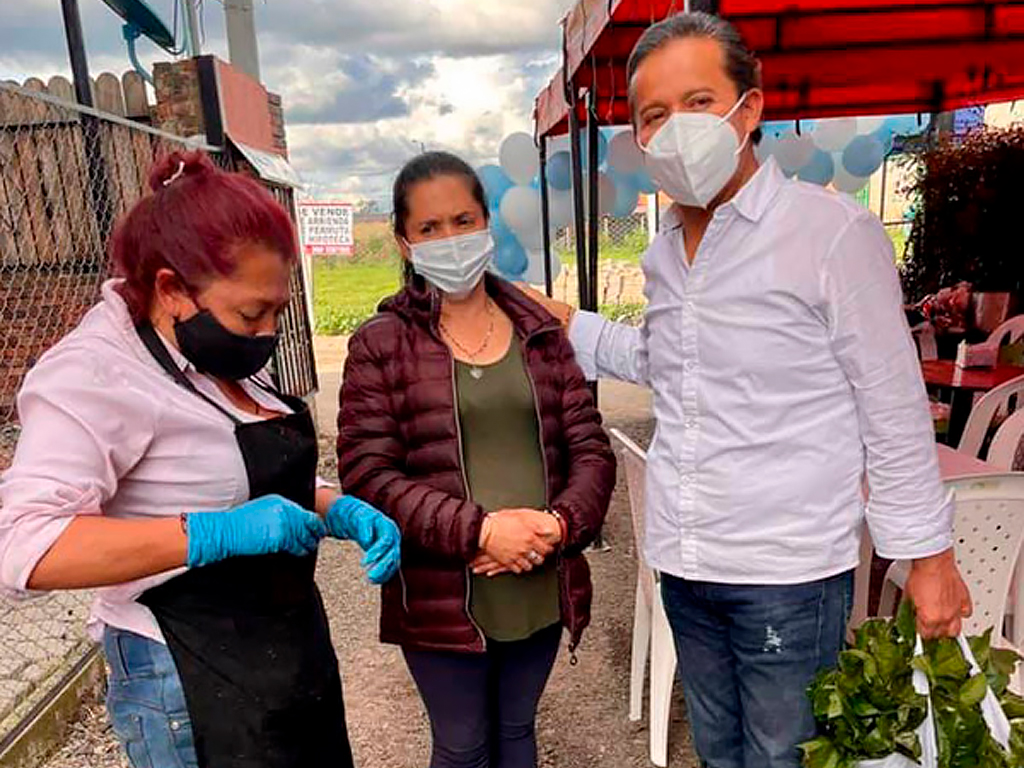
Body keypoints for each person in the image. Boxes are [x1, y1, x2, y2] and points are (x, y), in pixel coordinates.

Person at [524, 13, 971, 768]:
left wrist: (925, 557)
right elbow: (667, 358)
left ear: (750, 108)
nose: (675, 129)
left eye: (696, 103)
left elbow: (891, 405)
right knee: (721, 754)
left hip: (787, 572)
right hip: (689, 563)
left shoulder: (828, 234)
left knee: (785, 757)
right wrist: (572, 324)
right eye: (653, 116)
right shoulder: (666, 252)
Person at [0, 151, 402, 768]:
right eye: (251, 314)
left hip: (285, 644)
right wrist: (209, 534)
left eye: (277, 311)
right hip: (185, 674)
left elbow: (230, 467)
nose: (266, 333)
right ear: (170, 289)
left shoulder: (214, 354)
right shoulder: (93, 376)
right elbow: (24, 546)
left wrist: (336, 506)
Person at [336, 151, 616, 768]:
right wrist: (482, 531)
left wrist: (559, 526)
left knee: (517, 733)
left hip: (539, 574)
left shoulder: (539, 331)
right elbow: (367, 474)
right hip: (443, 585)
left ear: (487, 223)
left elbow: (589, 446)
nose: (450, 239)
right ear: (405, 243)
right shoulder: (381, 345)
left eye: (463, 221)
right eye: (430, 228)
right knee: (463, 745)